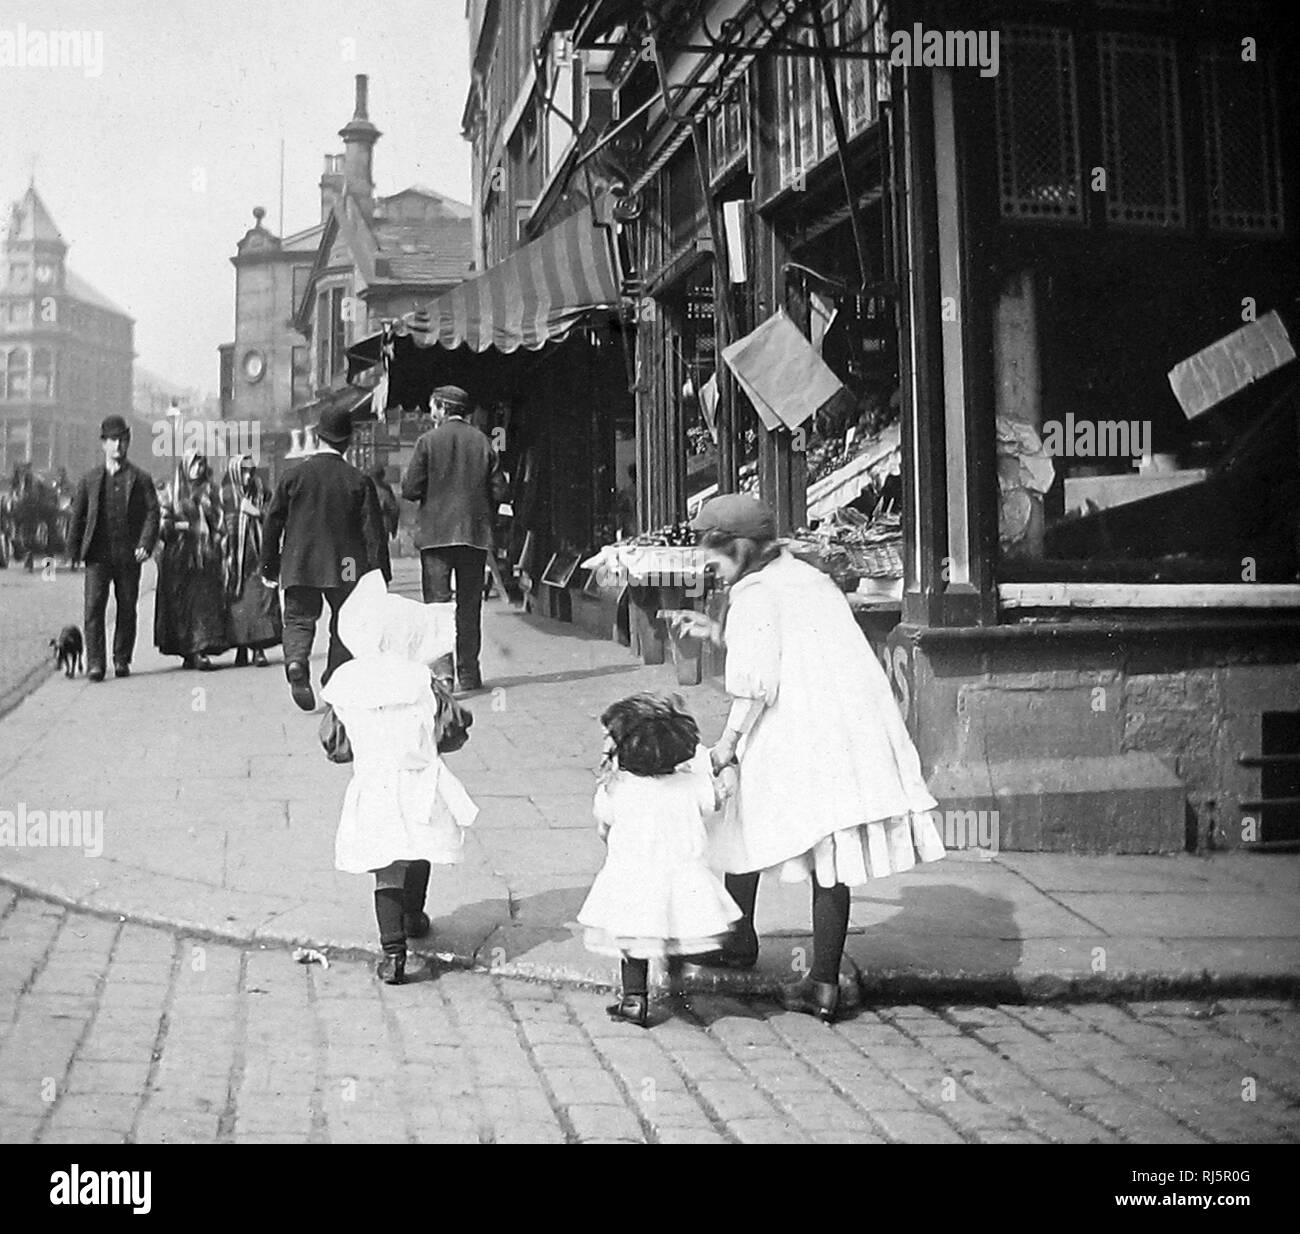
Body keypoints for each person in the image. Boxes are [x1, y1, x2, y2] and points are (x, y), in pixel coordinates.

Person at [669, 494, 945, 1024]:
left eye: (714, 557)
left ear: (741, 548)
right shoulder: (806, 577)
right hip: (847, 726)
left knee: (744, 810)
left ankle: (768, 954)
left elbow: (756, 685)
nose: (709, 569)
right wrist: (718, 632)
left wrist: (727, 745)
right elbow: (789, 640)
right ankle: (815, 976)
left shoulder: (754, 595)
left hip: (799, 727)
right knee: (829, 849)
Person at [321, 570, 478, 984]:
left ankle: (393, 955)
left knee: (386, 866)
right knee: (419, 846)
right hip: (419, 780)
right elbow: (453, 727)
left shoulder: (347, 683)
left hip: (374, 782)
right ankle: (413, 914)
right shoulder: (421, 679)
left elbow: (334, 743)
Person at [577, 693, 742, 1028]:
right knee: (678, 931)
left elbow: (604, 827)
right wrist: (726, 770)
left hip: (632, 875)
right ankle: (676, 984)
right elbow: (718, 798)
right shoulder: (691, 785)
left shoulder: (616, 789)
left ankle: (634, 999)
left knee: (632, 940)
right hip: (681, 875)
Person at [261, 406, 392, 711]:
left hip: (300, 561)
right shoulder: (358, 480)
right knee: (346, 620)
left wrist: (269, 566)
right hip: (345, 566)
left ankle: (296, 662)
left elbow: (272, 523)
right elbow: (374, 533)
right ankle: (334, 677)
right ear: (347, 441)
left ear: (318, 437)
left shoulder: (293, 477)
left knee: (298, 618)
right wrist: (380, 574)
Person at [401, 385, 506, 694]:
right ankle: (469, 673)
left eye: (433, 407)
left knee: (437, 607)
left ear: (443, 408)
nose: (431, 413)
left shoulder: (427, 442)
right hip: (474, 535)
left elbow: (410, 489)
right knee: (469, 606)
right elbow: (500, 490)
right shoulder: (483, 442)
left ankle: (444, 674)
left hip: (435, 537)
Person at [67, 415, 160, 681]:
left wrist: (145, 544)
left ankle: (121, 659)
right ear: (103, 444)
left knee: (127, 607)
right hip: (97, 556)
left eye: (122, 440)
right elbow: (77, 516)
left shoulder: (140, 478)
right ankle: (96, 663)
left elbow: (153, 513)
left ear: (128, 442)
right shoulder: (89, 480)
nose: (118, 445)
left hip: (129, 555)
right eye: (113, 440)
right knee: (93, 609)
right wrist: (73, 552)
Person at [154, 448, 230, 672]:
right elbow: (162, 523)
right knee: (180, 606)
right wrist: (183, 526)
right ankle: (187, 650)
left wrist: (215, 536)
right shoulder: (172, 492)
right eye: (194, 464)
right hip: (178, 558)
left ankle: (200, 649)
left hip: (204, 557)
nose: (198, 468)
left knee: (202, 605)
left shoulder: (211, 491)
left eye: (201, 464)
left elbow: (221, 521)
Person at [220, 454, 281, 668]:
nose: (247, 477)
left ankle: (259, 649)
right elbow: (216, 523)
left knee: (259, 602)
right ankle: (241, 648)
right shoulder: (225, 495)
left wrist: (255, 512)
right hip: (234, 559)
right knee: (237, 606)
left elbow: (275, 516)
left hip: (258, 556)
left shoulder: (262, 492)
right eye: (243, 472)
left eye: (250, 472)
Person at [368, 464, 400, 539]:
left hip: (370, 528)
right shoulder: (385, 491)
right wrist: (393, 528)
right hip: (382, 526)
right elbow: (394, 509)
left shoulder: (365, 488)